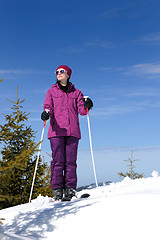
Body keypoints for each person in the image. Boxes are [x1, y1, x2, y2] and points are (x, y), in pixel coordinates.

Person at [41, 65, 93, 200]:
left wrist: (88, 105)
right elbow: (48, 107)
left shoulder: (77, 93)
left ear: (68, 74)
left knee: (70, 161)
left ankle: (70, 189)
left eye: (61, 71)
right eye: (57, 72)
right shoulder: (51, 92)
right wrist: (46, 113)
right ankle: (57, 190)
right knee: (57, 161)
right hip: (56, 131)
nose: (58, 73)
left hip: (72, 131)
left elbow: (81, 111)